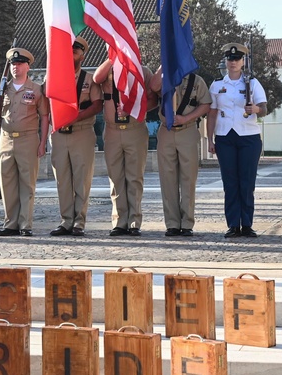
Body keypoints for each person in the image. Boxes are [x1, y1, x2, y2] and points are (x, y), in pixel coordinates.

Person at [207, 42, 268, 238]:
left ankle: (247, 224)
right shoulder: (217, 85)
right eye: (230, 59)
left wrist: (255, 109)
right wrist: (210, 140)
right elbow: (212, 113)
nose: (233, 62)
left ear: (243, 62)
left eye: (236, 59)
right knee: (230, 182)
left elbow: (264, 107)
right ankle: (233, 224)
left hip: (248, 136)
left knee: (247, 182)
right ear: (225, 61)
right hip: (225, 137)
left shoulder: (253, 83)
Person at [0, 47, 49, 236]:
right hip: (6, 140)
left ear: (28, 66)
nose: (16, 67)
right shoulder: (2, 89)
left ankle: (25, 224)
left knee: (27, 183)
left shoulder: (36, 89)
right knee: (7, 183)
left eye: (20, 64)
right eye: (13, 64)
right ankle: (10, 223)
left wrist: (42, 143)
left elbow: (45, 117)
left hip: (28, 139)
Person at [93, 58, 156, 236]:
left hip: (134, 129)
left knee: (134, 177)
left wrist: (135, 108)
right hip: (112, 131)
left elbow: (153, 100)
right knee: (116, 177)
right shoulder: (108, 70)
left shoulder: (142, 71)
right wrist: (112, 57)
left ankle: (134, 221)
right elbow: (97, 78)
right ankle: (119, 221)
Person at [47, 36, 102, 236]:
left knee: (81, 180)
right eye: (68, 51)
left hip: (82, 133)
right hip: (59, 135)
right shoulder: (52, 77)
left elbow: (97, 104)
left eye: (75, 52)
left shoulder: (89, 79)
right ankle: (65, 221)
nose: (71, 55)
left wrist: (76, 117)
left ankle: (79, 221)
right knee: (62, 180)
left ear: (82, 55)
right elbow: (46, 105)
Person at [150, 67, 212, 237]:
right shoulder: (164, 77)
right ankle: (172, 223)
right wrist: (165, 65)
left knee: (188, 178)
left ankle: (187, 223)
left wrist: (186, 118)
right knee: (167, 179)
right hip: (166, 131)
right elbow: (153, 85)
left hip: (188, 130)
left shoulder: (196, 81)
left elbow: (206, 104)